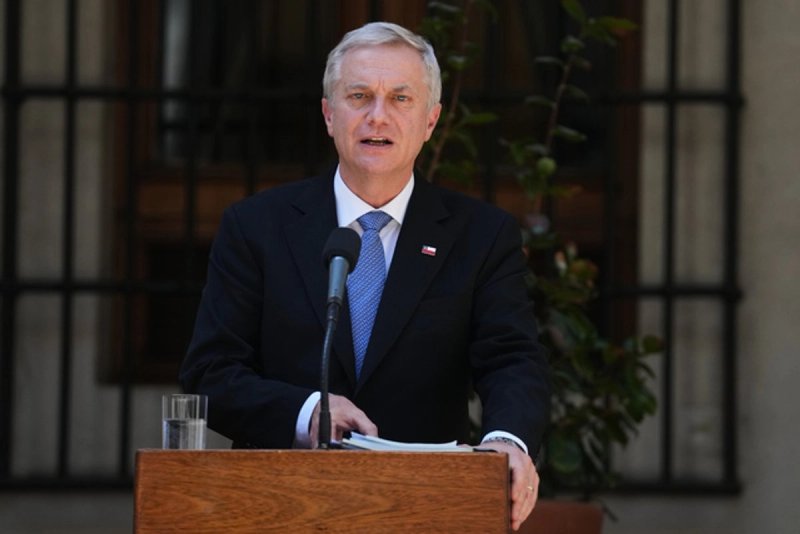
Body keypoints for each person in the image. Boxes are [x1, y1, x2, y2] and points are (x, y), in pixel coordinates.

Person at [180, 21, 550, 531]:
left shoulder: (481, 235)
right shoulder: (256, 227)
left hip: (427, 507)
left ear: (430, 120)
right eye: (360, 96)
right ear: (329, 115)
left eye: (401, 98)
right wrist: (307, 410)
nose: (379, 116)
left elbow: (512, 360)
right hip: (282, 506)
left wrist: (507, 440)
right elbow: (211, 373)